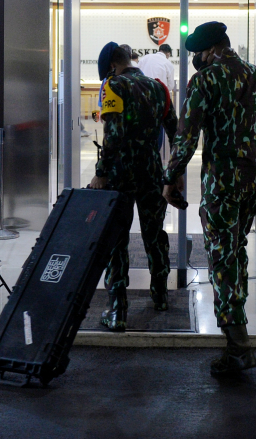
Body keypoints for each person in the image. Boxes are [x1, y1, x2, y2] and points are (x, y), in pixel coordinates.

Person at [161, 21, 256, 376]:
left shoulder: (205, 80)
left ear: (211, 50)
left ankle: (238, 346)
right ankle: (238, 333)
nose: (197, 59)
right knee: (236, 248)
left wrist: (171, 179)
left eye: (198, 53)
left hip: (224, 182)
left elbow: (186, 137)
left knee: (222, 257)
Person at [90, 41, 178, 332]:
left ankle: (118, 309)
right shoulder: (158, 88)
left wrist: (101, 172)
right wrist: (172, 172)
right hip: (152, 172)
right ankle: (161, 295)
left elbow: (113, 135)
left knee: (117, 240)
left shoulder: (114, 86)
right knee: (154, 234)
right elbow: (175, 131)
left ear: (113, 66)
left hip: (120, 177)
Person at [140, 44, 177, 154]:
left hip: (141, 97)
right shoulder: (168, 63)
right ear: (168, 53)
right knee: (158, 126)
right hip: (158, 99)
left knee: (142, 125)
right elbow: (170, 86)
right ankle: (155, 151)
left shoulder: (144, 59)